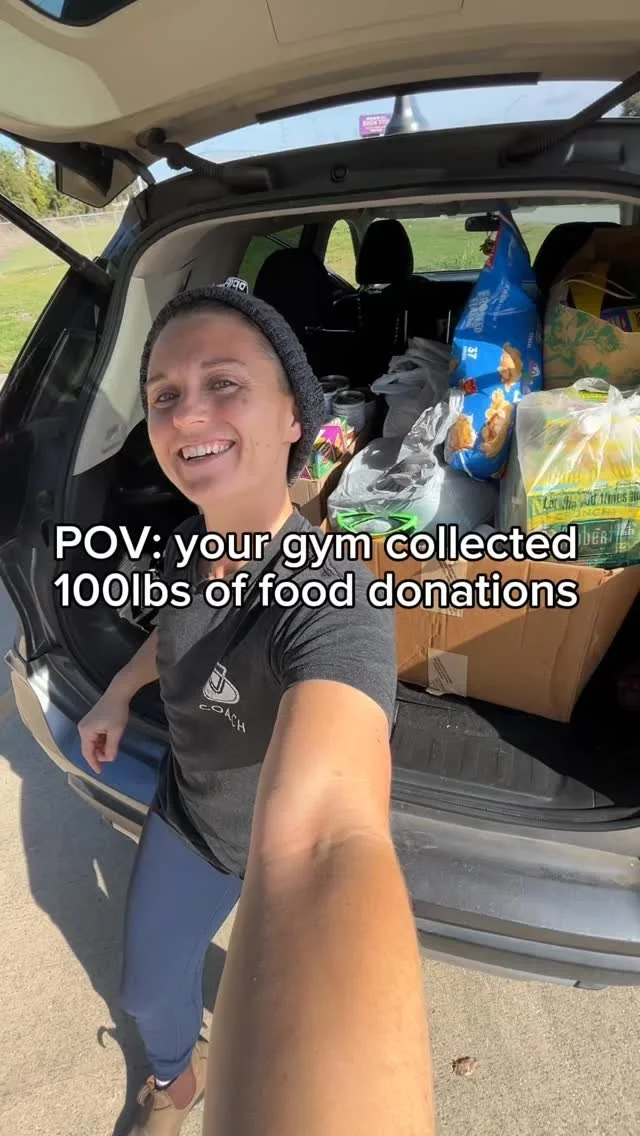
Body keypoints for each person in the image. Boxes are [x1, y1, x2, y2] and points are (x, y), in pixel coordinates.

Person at [78, 281, 434, 1135]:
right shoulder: (186, 544)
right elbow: (173, 636)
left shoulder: (334, 596)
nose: (187, 413)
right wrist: (118, 692)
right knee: (146, 992)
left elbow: (323, 841)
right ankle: (176, 1080)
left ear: (292, 417)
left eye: (223, 383)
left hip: (260, 843)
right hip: (192, 820)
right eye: (164, 395)